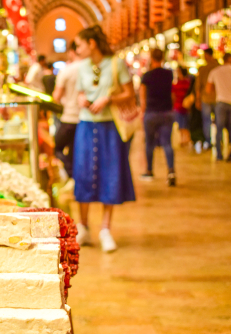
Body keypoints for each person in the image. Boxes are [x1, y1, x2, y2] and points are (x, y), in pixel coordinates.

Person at [73, 26, 136, 252]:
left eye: (79, 45)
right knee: (82, 173)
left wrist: (108, 99)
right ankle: (83, 227)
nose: (76, 50)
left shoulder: (116, 64)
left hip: (110, 126)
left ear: (92, 43)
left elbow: (130, 93)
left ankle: (106, 229)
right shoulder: (81, 67)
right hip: (86, 125)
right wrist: (82, 99)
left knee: (111, 174)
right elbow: (80, 91)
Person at [140, 49, 176, 186]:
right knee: (167, 143)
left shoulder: (147, 76)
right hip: (167, 112)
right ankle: (171, 171)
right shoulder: (168, 74)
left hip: (151, 112)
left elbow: (142, 95)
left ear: (151, 58)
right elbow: (171, 92)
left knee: (149, 143)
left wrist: (142, 111)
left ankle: (149, 171)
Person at [206, 53, 231, 162]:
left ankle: (219, 154)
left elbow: (208, 89)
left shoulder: (216, 71)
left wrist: (219, 91)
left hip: (221, 101)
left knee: (219, 128)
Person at [52, 42, 82, 182]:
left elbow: (56, 97)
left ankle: (71, 174)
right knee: (76, 149)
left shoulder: (67, 70)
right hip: (86, 119)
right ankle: (76, 174)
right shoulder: (90, 68)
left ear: (71, 52)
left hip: (69, 116)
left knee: (56, 148)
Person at [195, 48, 219, 150]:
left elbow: (198, 86)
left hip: (206, 98)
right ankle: (219, 140)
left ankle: (208, 141)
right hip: (218, 98)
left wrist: (198, 99)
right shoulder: (218, 67)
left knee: (207, 121)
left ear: (208, 55)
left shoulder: (203, 69)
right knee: (219, 121)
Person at [172, 66, 191, 146]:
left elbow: (173, 95)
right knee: (184, 124)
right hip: (184, 106)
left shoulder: (177, 84)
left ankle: (185, 139)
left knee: (182, 125)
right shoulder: (188, 83)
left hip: (180, 106)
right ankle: (185, 139)